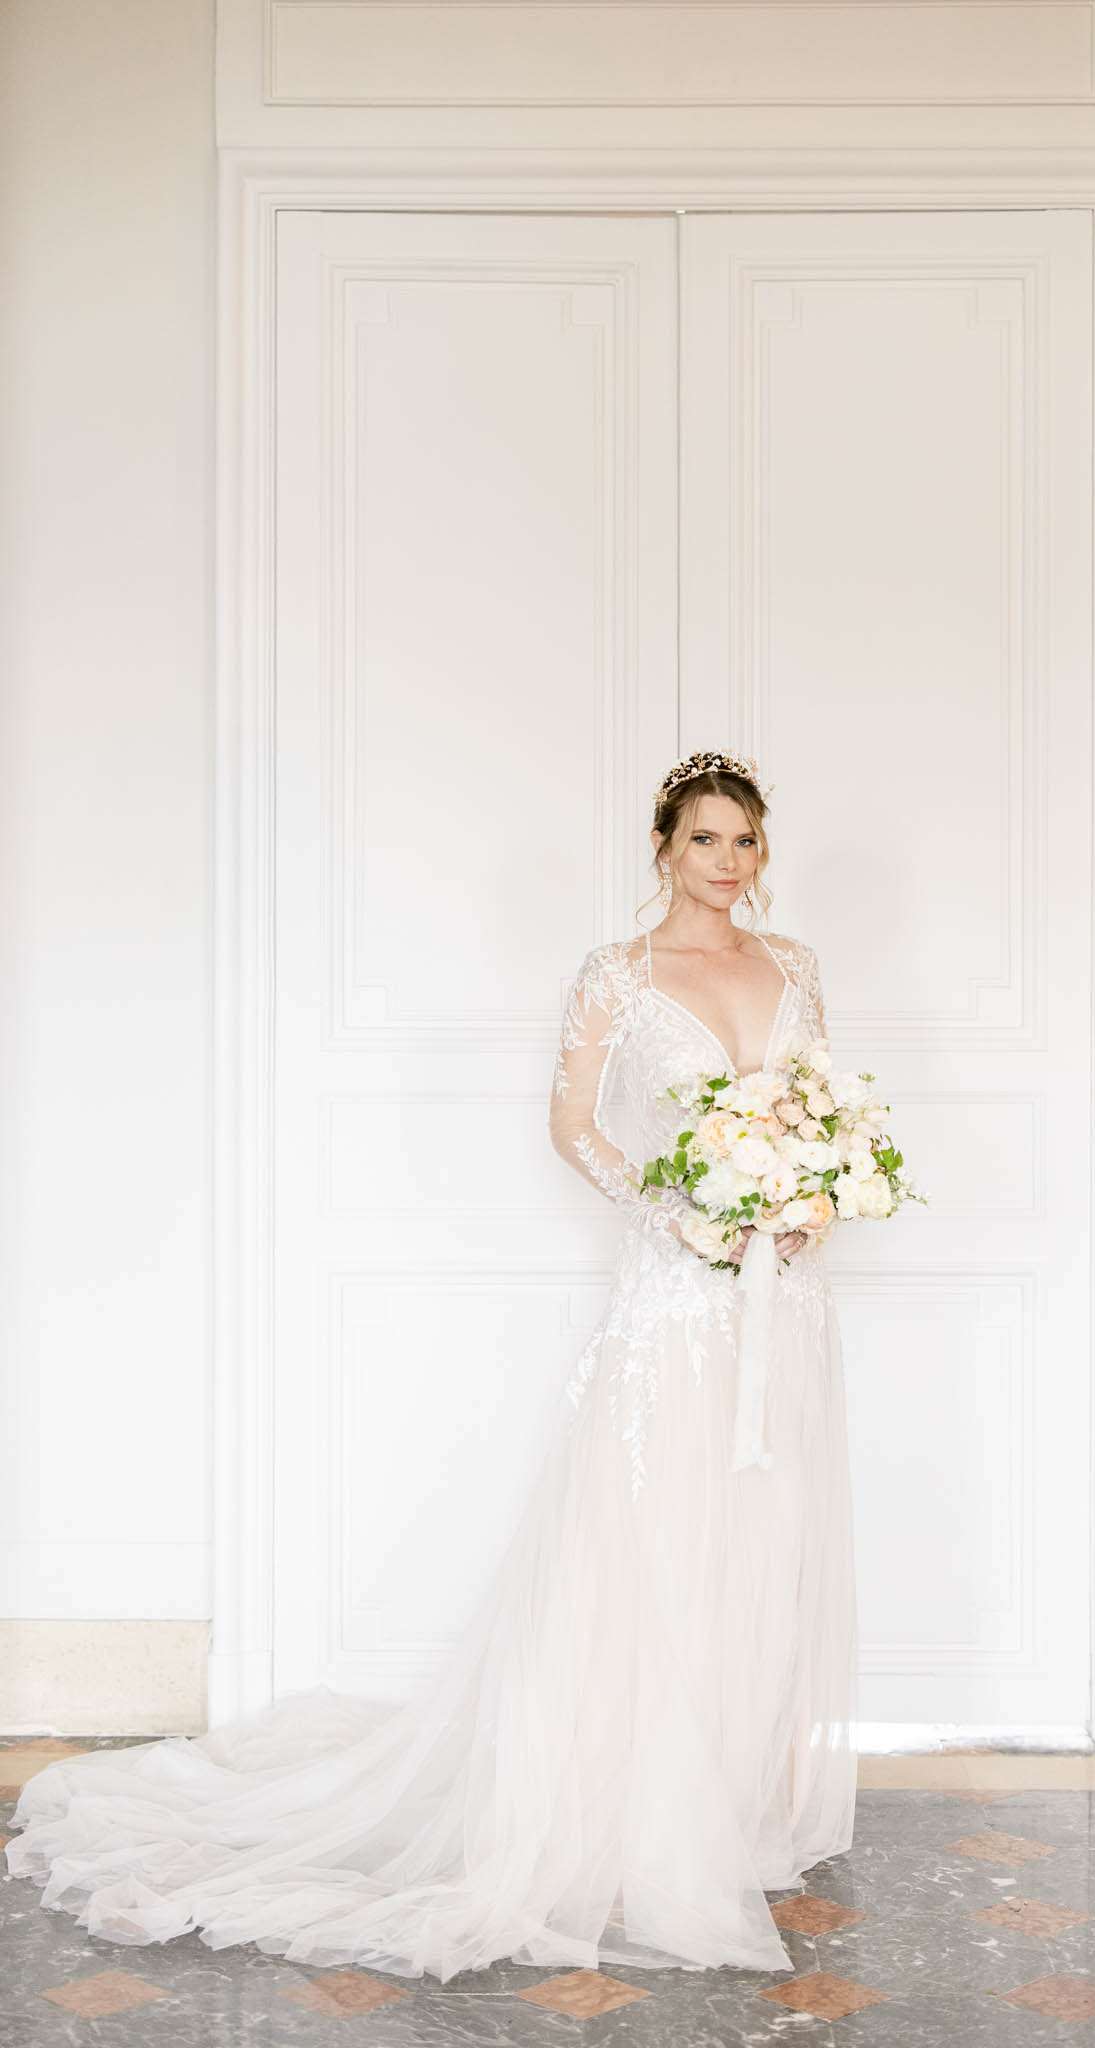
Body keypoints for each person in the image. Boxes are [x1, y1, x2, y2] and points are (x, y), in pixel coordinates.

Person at [4, 750, 859, 1981]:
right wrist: (675, 1215)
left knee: (765, 1533)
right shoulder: (616, 974)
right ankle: (633, 1811)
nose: (728, 862)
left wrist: (811, 1199)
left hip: (787, 1299)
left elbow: (818, 1113)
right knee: (658, 1537)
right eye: (704, 840)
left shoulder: (797, 968)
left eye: (745, 840)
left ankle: (735, 1801)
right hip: (678, 1296)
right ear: (663, 850)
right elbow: (572, 1123)